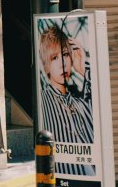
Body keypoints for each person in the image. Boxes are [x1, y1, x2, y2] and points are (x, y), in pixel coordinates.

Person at [36, 19, 97, 177]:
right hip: (61, 183)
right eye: (54, 58)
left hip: (89, 184)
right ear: (46, 65)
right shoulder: (43, 100)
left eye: (65, 55)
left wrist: (82, 68)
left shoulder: (81, 104)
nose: (62, 64)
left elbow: (100, 100)